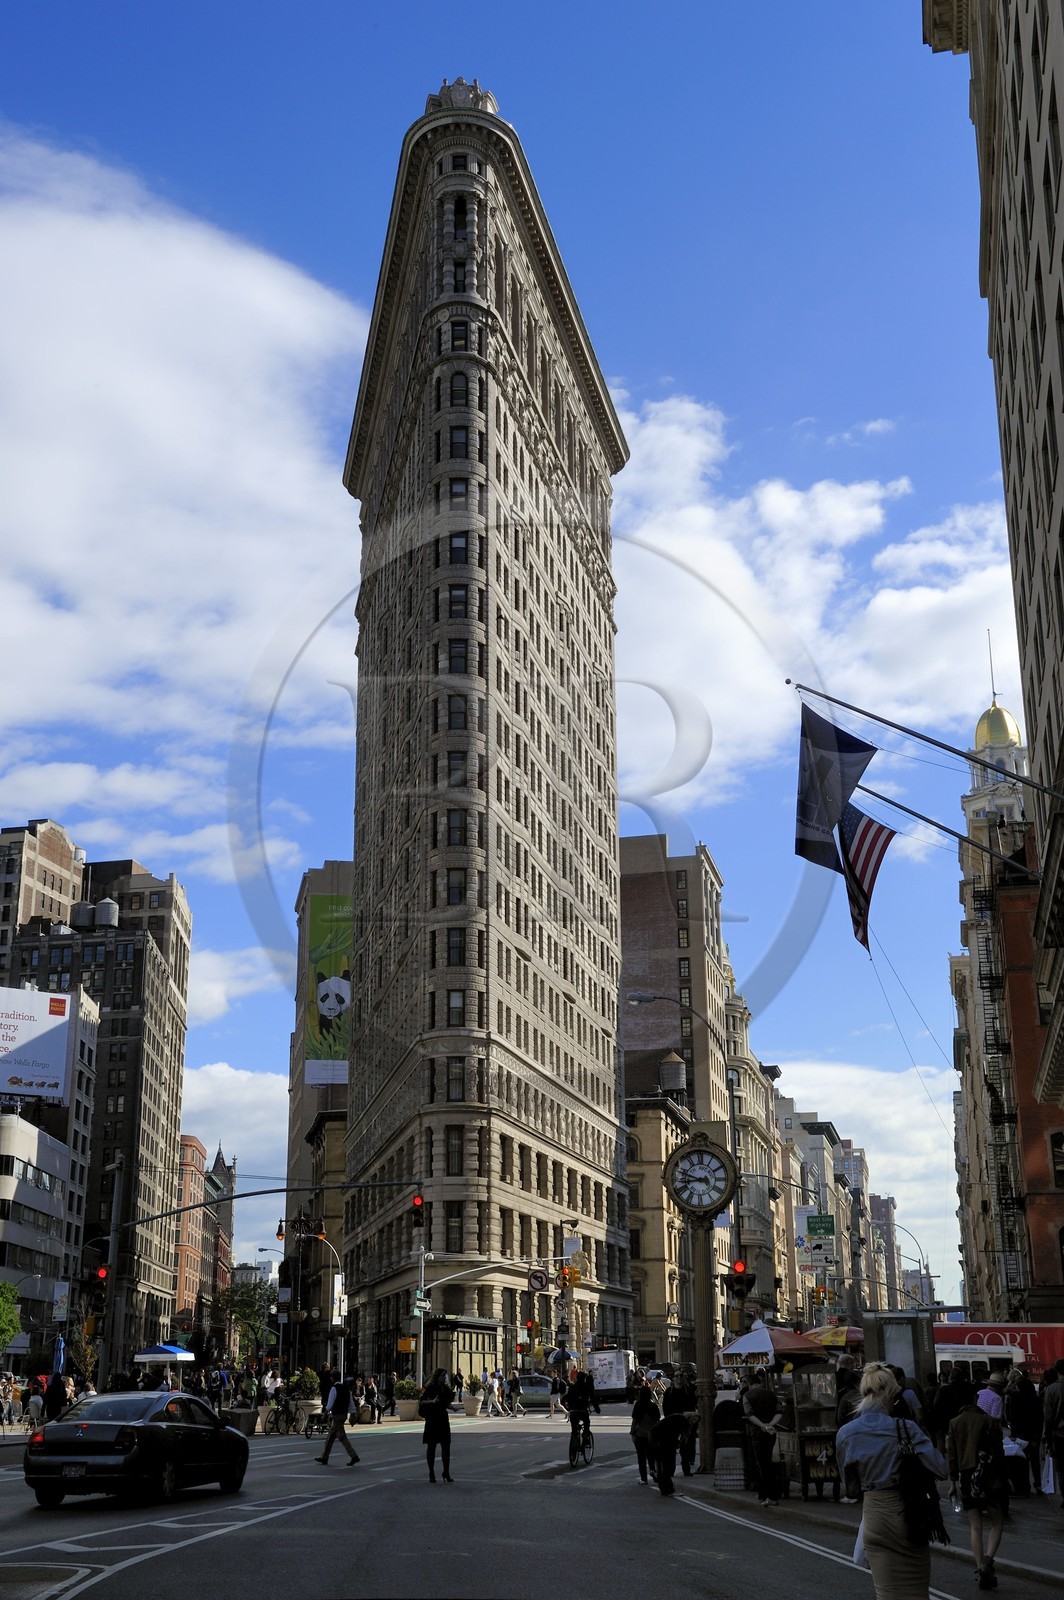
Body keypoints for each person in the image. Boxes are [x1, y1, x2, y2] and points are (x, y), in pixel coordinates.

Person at [836, 1362, 948, 1600]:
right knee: (917, 1593)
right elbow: (940, 1468)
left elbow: (851, 1486)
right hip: (908, 1513)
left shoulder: (846, 1433)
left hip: (874, 1514)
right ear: (891, 1394)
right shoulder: (906, 1428)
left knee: (886, 1594)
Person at [947, 1379, 1007, 1590]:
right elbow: (999, 1452)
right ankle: (988, 1561)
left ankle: (979, 1566)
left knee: (975, 1526)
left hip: (966, 1477)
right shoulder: (988, 1421)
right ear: (975, 1398)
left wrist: (952, 1483)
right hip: (991, 1477)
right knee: (997, 1523)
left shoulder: (954, 1423)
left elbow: (951, 1456)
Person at [742, 1369, 783, 1507]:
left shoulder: (748, 1396)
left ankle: (767, 1495)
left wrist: (762, 1426)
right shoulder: (772, 1394)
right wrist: (770, 1425)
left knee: (762, 1464)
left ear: (749, 1384)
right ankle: (769, 1494)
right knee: (770, 1462)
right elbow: (779, 1412)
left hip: (757, 1433)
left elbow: (749, 1415)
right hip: (771, 1432)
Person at [1003, 1366, 1043, 1495]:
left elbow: (1013, 1418)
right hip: (1034, 1434)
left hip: (1021, 1434)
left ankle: (1024, 1486)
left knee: (1023, 1461)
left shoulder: (1016, 1399)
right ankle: (1038, 1484)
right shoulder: (1036, 1400)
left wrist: (1013, 1434)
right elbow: (1040, 1418)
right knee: (1035, 1461)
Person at [315, 1370, 360, 1466]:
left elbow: (330, 1403)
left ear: (334, 1378)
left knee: (342, 1437)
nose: (330, 1379)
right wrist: (353, 1414)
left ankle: (354, 1456)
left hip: (336, 1415)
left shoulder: (334, 1389)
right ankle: (324, 1457)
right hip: (343, 1415)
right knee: (330, 1437)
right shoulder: (346, 1389)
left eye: (331, 1377)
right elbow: (351, 1403)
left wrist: (325, 1414)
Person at [420, 1368, 454, 1482]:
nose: (444, 1378)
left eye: (445, 1376)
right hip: (432, 1419)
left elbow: (445, 1403)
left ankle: (446, 1472)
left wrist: (452, 1407)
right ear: (437, 1376)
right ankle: (431, 1472)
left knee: (446, 1446)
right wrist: (432, 1401)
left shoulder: (445, 1389)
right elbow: (422, 1401)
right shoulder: (430, 1388)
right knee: (432, 1447)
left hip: (443, 1418)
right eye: (442, 1376)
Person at [663, 1365, 698, 1475]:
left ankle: (686, 1470)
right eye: (676, 1376)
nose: (679, 1378)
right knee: (671, 1449)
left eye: (681, 1376)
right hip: (672, 1423)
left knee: (685, 1448)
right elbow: (666, 1409)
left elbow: (693, 1406)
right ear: (673, 1378)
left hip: (686, 1424)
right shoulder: (668, 1392)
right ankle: (671, 1471)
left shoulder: (688, 1391)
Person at [650, 1411, 691, 1497]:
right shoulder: (680, 1422)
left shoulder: (674, 1419)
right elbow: (673, 1437)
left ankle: (664, 1489)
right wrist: (676, 1444)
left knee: (662, 1467)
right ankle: (668, 1489)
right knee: (666, 1467)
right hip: (663, 1444)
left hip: (657, 1441)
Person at [630, 1376, 660, 1485]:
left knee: (641, 1457)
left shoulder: (638, 1405)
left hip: (639, 1434)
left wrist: (632, 1432)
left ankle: (643, 1479)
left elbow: (635, 1420)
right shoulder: (653, 1406)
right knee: (651, 1455)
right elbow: (657, 1421)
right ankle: (652, 1470)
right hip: (651, 1434)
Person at [1043, 1358, 1064, 1508]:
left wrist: (1047, 1438)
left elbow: (1048, 1416)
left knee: (1061, 1469)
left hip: (1060, 1435)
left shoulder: (1051, 1389)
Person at [562, 1370, 599, 1451]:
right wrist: (597, 1409)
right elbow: (593, 1399)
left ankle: (574, 1440)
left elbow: (565, 1399)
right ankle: (585, 1435)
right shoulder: (586, 1387)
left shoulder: (573, 1387)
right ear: (584, 1379)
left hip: (573, 1412)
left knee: (574, 1429)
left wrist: (568, 1408)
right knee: (587, 1422)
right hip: (583, 1411)